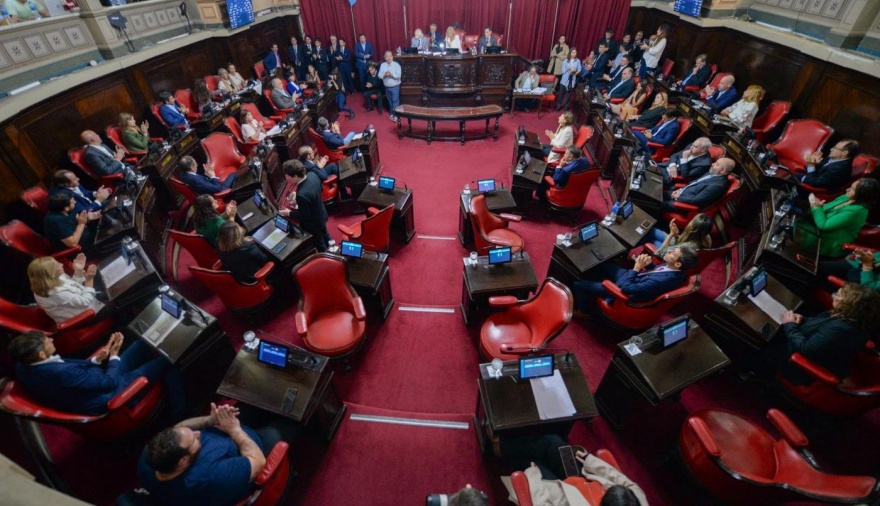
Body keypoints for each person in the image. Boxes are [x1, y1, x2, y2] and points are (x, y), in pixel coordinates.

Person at [9, 330, 186, 419]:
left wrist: (96, 360)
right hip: (107, 395)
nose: (51, 339)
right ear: (41, 354)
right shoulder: (62, 373)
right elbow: (108, 382)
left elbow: (71, 368)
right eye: (47, 341)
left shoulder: (23, 364)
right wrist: (114, 355)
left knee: (142, 344)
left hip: (93, 382)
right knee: (167, 361)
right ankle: (179, 413)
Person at [138, 403, 268, 506]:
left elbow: (179, 427)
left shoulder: (151, 455)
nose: (198, 433)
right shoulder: (207, 478)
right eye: (194, 439)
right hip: (250, 445)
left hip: (226, 429)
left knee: (249, 404)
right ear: (183, 461)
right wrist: (234, 429)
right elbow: (258, 461)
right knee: (275, 427)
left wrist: (210, 420)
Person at [771, 283, 880, 386]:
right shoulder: (853, 317)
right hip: (808, 344)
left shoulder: (840, 329)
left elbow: (805, 348)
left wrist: (790, 325)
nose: (833, 296)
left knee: (767, 345)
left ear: (848, 305)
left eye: (837, 295)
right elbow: (820, 326)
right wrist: (803, 319)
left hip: (800, 367)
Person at [573, 245, 697, 311]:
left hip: (623, 291)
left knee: (578, 284)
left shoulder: (662, 281)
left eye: (673, 253)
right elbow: (655, 271)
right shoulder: (676, 270)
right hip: (633, 278)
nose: (669, 251)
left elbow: (626, 289)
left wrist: (636, 268)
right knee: (601, 263)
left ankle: (584, 311)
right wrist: (648, 264)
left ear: (678, 264)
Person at [800, 177, 878, 258]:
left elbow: (824, 226)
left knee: (796, 230)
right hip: (816, 228)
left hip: (829, 241)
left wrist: (816, 207)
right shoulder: (846, 197)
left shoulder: (857, 211)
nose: (847, 189)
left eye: (852, 189)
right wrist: (817, 205)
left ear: (861, 194)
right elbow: (823, 209)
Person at [28, 254, 103, 323]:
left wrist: (78, 271)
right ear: (52, 273)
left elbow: (73, 286)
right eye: (57, 265)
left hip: (87, 300)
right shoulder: (56, 293)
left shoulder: (53, 278)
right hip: (83, 316)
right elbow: (85, 302)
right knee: (111, 304)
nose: (62, 264)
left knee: (109, 293)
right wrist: (89, 280)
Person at [278, 160, 331, 251]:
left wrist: (289, 213)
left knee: (320, 244)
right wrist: (301, 198)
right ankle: (334, 250)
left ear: (295, 176)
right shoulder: (312, 175)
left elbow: (304, 216)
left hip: (313, 224)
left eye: (288, 176)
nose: (287, 178)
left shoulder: (302, 195)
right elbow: (319, 190)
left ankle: (326, 256)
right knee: (326, 235)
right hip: (321, 214)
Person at [662, 157, 735, 212]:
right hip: (681, 193)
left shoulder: (717, 186)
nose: (712, 164)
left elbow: (697, 200)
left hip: (684, 205)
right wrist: (680, 190)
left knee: (658, 203)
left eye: (717, 164)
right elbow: (694, 183)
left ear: (723, 171)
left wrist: (678, 197)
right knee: (658, 192)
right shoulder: (712, 173)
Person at [641, 213, 713, 257]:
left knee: (651, 240)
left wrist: (671, 235)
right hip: (677, 245)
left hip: (669, 253)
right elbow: (682, 241)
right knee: (652, 230)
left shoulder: (688, 246)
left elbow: (660, 253)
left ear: (693, 228)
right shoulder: (706, 236)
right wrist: (675, 235)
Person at [379, 51, 402, 121]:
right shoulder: (382, 65)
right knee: (390, 101)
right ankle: (392, 113)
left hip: (395, 86)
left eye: (390, 56)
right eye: (387, 56)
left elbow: (398, 76)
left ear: (392, 57)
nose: (389, 58)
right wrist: (384, 75)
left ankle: (396, 115)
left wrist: (392, 75)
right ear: (385, 57)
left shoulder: (396, 65)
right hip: (387, 87)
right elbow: (379, 75)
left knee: (395, 101)